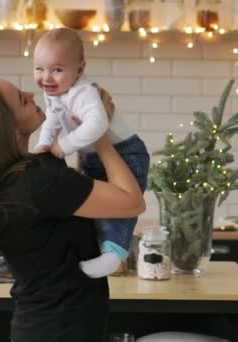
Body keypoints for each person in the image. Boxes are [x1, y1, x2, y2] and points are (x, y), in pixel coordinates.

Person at [0, 77, 146, 341]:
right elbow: (132, 202)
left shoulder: (6, 180)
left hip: (39, 326)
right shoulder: (38, 179)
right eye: (22, 100)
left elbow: (73, 202)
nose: (32, 94)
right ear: (6, 127)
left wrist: (82, 137)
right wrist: (100, 135)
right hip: (64, 332)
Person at [33, 28, 150, 278]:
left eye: (56, 69)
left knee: (120, 210)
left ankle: (113, 255)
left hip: (126, 152)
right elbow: (53, 118)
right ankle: (103, 252)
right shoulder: (56, 91)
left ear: (80, 69)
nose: (46, 78)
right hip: (92, 155)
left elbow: (98, 125)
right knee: (96, 204)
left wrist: (62, 146)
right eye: (39, 68)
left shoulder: (83, 93)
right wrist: (44, 143)